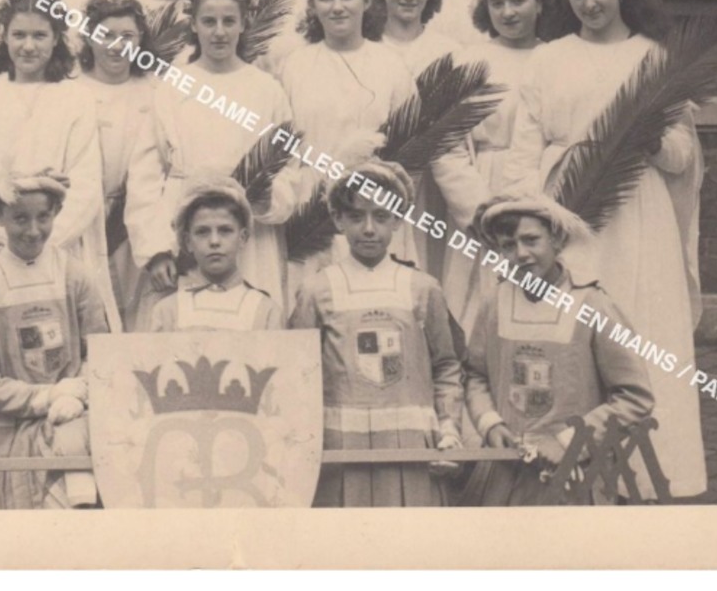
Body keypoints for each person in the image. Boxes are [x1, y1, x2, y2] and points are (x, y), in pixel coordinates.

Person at [502, 0, 707, 498]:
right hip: (566, 208)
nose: (589, 2)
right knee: (575, 329)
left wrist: (649, 138)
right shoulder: (550, 57)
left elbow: (682, 156)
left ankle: (651, 469)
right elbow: (525, 146)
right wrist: (529, 214)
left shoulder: (652, 56)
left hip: (637, 211)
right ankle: (570, 463)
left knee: (640, 326)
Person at [289, 159, 463, 507]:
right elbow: (298, 376)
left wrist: (448, 429)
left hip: (411, 447)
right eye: (356, 217)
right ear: (338, 220)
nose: (369, 229)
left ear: (398, 220)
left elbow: (446, 366)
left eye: (381, 216)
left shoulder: (423, 288)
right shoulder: (316, 290)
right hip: (341, 449)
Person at [465, 196, 655, 505]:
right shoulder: (493, 303)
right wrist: (490, 424)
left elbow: (634, 397)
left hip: (574, 473)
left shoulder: (592, 304)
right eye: (508, 245)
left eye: (531, 240)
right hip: (505, 470)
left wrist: (568, 442)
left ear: (557, 240)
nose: (521, 254)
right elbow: (475, 374)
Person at [0, 0, 115, 331]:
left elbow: (85, 183)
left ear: (56, 40)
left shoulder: (75, 98)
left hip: (55, 244)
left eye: (39, 35)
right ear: (4, 37)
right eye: (19, 35)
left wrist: (39, 238)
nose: (28, 46)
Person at [125, 0, 297, 318]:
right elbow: (145, 174)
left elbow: (288, 167)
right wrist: (157, 249)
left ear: (244, 23)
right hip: (187, 228)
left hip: (251, 234)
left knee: (251, 321)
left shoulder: (266, 89)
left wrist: (268, 199)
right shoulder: (173, 86)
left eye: (229, 21)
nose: (219, 32)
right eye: (209, 22)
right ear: (194, 24)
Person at [0, 172, 111, 509]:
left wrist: (79, 393)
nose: (33, 230)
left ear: (56, 213)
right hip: (7, 429)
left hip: (71, 422)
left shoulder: (76, 275)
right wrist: (45, 396)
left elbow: (101, 352)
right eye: (20, 218)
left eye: (44, 217)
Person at [430, 0, 549, 337]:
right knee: (477, 300)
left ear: (540, 3)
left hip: (540, 190)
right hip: (483, 188)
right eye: (497, 3)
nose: (508, 12)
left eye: (518, 1)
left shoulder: (556, 57)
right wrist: (479, 209)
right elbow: (447, 145)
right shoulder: (471, 61)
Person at [279, 0, 415, 263]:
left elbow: (410, 151)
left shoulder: (391, 65)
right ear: (312, 5)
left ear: (367, 1)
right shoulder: (296, 65)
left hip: (374, 205)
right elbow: (283, 147)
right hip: (311, 206)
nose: (337, 7)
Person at [77, 0, 158, 326]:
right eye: (105, 35)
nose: (116, 46)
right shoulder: (70, 88)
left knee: (135, 313)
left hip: (137, 217)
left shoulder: (154, 89)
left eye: (127, 36)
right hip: (85, 219)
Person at [149, 178, 282, 332]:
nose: (214, 241)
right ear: (188, 241)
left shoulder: (265, 310)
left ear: (242, 237)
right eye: (202, 232)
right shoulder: (168, 311)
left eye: (225, 230)